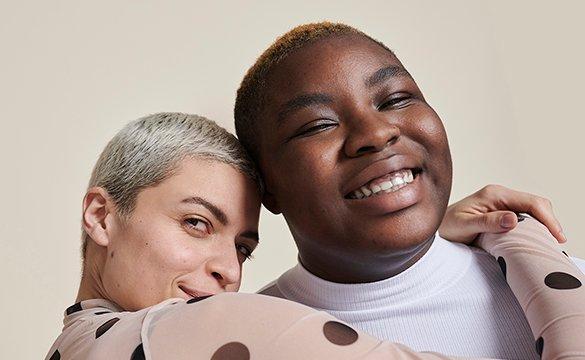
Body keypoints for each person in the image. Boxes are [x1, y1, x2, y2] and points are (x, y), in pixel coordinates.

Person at [46, 113, 584, 360]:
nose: (228, 271)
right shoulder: (191, 330)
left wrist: (421, 238)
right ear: (100, 216)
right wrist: (520, 239)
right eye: (196, 224)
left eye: (242, 248)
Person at [233, 22, 585, 358]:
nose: (375, 133)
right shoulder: (243, 342)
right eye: (318, 125)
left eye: (396, 99)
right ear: (267, 187)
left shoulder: (571, 287)